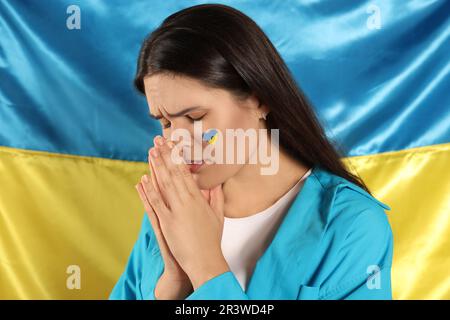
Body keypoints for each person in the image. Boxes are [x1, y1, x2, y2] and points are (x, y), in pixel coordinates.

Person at [109, 4, 393, 300]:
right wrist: (174, 284)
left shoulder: (353, 225)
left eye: (195, 117)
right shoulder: (172, 204)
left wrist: (206, 267)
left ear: (259, 99)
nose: (179, 142)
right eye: (166, 122)